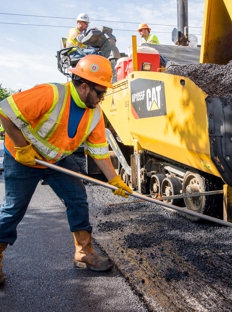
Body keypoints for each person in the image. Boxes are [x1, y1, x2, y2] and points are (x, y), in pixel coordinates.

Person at [0, 54, 133, 285]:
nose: (102, 98)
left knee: (77, 197)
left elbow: (99, 151)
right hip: (24, 158)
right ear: (84, 86)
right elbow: (5, 110)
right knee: (14, 210)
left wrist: (115, 181)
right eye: (100, 92)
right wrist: (22, 147)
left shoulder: (94, 114)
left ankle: (83, 253)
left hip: (56, 161)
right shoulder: (50, 94)